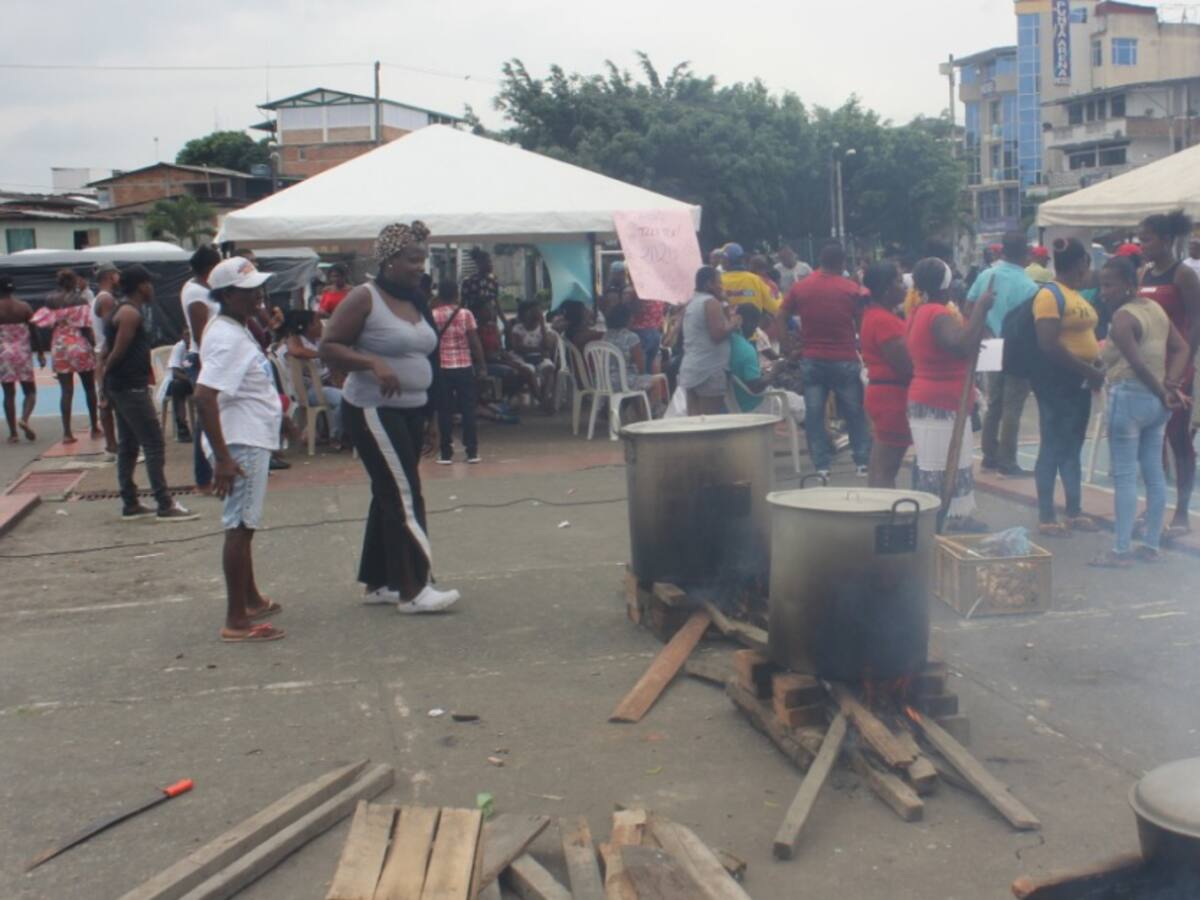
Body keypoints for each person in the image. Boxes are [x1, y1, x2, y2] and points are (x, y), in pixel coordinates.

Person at [320, 221, 460, 613]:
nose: (420, 266)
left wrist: (433, 415)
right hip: (373, 409)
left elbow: (427, 357)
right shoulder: (364, 298)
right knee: (403, 493)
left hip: (413, 410)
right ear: (389, 259)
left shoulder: (414, 300)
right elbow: (329, 345)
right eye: (413, 259)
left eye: (423, 259)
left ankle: (380, 582)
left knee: (389, 493)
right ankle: (414, 590)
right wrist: (371, 362)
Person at [193, 257, 286, 642]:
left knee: (245, 524)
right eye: (251, 292)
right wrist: (225, 460)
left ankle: (249, 598)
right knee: (240, 526)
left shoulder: (237, 327)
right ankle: (236, 620)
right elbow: (204, 395)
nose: (259, 297)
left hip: (249, 434)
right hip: (240, 440)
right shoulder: (228, 337)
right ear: (229, 295)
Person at [1090, 257, 1188, 567]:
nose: (1103, 292)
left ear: (1129, 286)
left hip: (1130, 397)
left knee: (1125, 477)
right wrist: (1170, 384)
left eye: (1109, 285)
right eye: (1101, 284)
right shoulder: (1155, 309)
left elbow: (1136, 363)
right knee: (1154, 475)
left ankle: (1120, 550)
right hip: (1156, 403)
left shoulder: (1122, 319)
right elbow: (1182, 347)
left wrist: (1164, 389)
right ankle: (1151, 545)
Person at [98, 264, 197, 523]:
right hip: (130, 387)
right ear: (141, 286)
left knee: (129, 445)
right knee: (153, 442)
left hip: (122, 386)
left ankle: (130, 502)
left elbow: (107, 352)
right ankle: (164, 502)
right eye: (149, 283)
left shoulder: (123, 310)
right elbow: (117, 352)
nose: (151, 288)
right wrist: (106, 380)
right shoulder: (131, 314)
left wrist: (106, 384)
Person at [905, 258, 994, 532]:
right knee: (940, 463)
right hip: (939, 402)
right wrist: (979, 310)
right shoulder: (936, 314)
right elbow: (959, 344)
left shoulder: (923, 311)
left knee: (949, 460)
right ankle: (935, 521)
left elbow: (955, 345)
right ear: (946, 284)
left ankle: (953, 517)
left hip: (938, 399)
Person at [1031, 238, 1104, 537]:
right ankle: (1047, 515)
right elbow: (1048, 344)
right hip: (1056, 381)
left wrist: (1093, 366)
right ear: (1081, 264)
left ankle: (1074, 509)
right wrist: (1086, 367)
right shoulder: (1049, 295)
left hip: (1080, 382)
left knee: (1073, 446)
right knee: (1052, 445)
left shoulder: (1074, 294)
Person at [782, 241, 872, 478]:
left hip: (812, 359)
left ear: (820, 261)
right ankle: (862, 461)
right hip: (844, 359)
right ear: (842, 263)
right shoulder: (852, 289)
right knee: (854, 412)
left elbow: (780, 316)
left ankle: (821, 466)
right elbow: (863, 326)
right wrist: (863, 349)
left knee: (814, 414)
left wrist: (788, 345)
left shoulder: (800, 288)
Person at [1137, 210, 1200, 537]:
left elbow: (1196, 320)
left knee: (1177, 436)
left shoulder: (1183, 275)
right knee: (1151, 439)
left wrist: (1185, 362)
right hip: (1149, 366)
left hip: (1178, 366)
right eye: (1140, 238)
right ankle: (1153, 505)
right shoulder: (1145, 274)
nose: (1141, 244)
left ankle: (1181, 511)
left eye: (1146, 238)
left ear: (1166, 239)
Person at [975, 232, 1038, 476]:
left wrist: (984, 330)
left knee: (994, 403)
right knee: (1013, 405)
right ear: (1026, 254)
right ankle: (1008, 461)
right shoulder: (1029, 286)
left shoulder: (985, 275)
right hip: (1018, 349)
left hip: (990, 344)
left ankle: (989, 455)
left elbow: (970, 306)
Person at [860, 261, 913, 488]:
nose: (904, 287)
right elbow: (906, 365)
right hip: (892, 399)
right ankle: (882, 517)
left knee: (880, 465)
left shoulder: (877, 315)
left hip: (885, 395)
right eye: (899, 282)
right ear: (887, 288)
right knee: (886, 468)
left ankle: (877, 516)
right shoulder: (884, 321)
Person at [32, 269, 99, 443]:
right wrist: (94, 347)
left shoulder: (50, 300)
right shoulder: (81, 300)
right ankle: (95, 427)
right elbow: (86, 327)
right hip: (78, 343)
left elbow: (43, 323)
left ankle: (67, 433)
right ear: (73, 282)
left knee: (66, 391)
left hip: (59, 345)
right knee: (89, 387)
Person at [182, 244, 222, 490]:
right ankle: (204, 477)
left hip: (210, 357)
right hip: (203, 358)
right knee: (205, 418)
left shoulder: (205, 288)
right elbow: (200, 335)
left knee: (213, 416)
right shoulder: (195, 293)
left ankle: (212, 470)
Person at [432, 280, 485, 464]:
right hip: (464, 366)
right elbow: (474, 341)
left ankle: (446, 452)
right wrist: (481, 364)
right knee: (468, 409)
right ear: (456, 294)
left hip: (442, 368)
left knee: (444, 411)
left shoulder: (433, 315)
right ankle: (472, 451)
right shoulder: (465, 314)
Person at [726, 303, 806, 421]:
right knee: (805, 405)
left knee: (793, 396)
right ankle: (820, 436)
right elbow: (756, 387)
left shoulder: (730, 341)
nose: (755, 329)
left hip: (737, 403)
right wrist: (775, 370)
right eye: (754, 323)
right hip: (755, 405)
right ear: (745, 321)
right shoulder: (746, 350)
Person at [679, 266, 739, 415]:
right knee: (709, 421)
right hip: (709, 370)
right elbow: (717, 334)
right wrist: (734, 323)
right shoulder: (710, 302)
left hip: (693, 368)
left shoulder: (693, 302)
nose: (721, 286)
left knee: (694, 421)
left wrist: (724, 301)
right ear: (708, 284)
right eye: (719, 282)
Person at [281, 309, 344, 447]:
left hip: (325, 385)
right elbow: (296, 351)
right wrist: (322, 354)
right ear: (307, 326)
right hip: (309, 390)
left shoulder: (318, 340)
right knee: (344, 400)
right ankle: (337, 436)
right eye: (316, 322)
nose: (321, 325)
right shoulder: (295, 340)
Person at [602, 303, 668, 414]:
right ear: (626, 319)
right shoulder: (631, 337)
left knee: (637, 381)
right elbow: (641, 367)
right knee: (656, 380)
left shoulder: (606, 336)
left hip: (604, 381)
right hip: (624, 382)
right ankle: (649, 413)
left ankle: (637, 412)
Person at [0, 275, 39, 442]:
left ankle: (13, 433)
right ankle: (24, 418)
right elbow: (35, 331)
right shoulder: (24, 307)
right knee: (30, 391)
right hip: (23, 353)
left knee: (9, 393)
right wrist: (42, 353)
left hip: (3, 354)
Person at [510, 300, 559, 412]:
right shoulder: (518, 328)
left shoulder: (544, 328)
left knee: (549, 368)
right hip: (523, 359)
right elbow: (518, 348)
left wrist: (542, 324)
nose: (535, 314)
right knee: (529, 371)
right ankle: (542, 401)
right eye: (531, 311)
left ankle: (545, 398)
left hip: (539, 358)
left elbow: (547, 346)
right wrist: (538, 350)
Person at [92, 262, 120, 455]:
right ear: (110, 276)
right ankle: (113, 444)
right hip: (106, 353)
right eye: (116, 274)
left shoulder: (98, 298)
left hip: (101, 352)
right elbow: (111, 330)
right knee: (108, 400)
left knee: (106, 399)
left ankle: (112, 444)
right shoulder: (106, 299)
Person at [720, 244, 779, 316]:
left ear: (726, 260)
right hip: (754, 325)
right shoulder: (755, 279)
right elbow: (774, 307)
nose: (721, 260)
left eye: (722, 258)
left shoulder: (718, 281)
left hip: (729, 325)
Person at [160, 327, 193, 442]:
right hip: (180, 381)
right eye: (186, 334)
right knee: (177, 386)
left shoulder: (199, 346)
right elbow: (175, 371)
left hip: (196, 380)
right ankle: (182, 426)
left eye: (190, 334)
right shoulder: (179, 347)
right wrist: (191, 380)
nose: (188, 337)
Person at [461, 249, 500, 319]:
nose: (490, 264)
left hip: (491, 322)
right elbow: (463, 304)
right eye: (488, 262)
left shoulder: (493, 280)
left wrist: (505, 323)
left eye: (490, 262)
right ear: (478, 263)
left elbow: (496, 303)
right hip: (474, 323)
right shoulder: (468, 281)